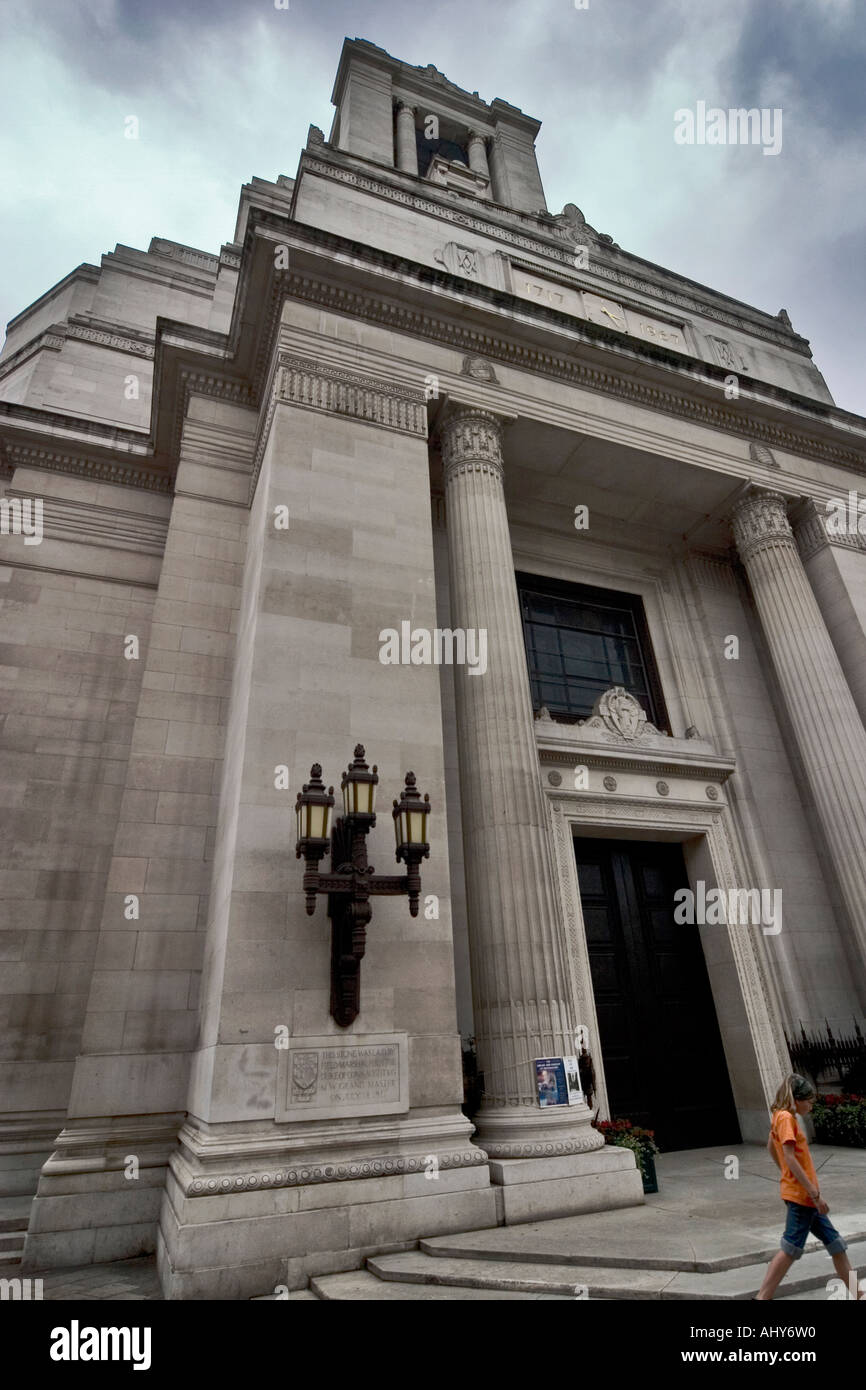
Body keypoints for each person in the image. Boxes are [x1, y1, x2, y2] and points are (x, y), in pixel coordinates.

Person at [755, 1073, 863, 1300]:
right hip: (802, 1198)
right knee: (790, 1249)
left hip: (802, 1196)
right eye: (808, 1100)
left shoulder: (780, 1116)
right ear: (796, 1099)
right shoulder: (786, 1118)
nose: (811, 1105)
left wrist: (787, 1173)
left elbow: (770, 1146)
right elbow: (789, 1156)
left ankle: (858, 1292)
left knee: (836, 1245)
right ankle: (762, 1297)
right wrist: (814, 1194)